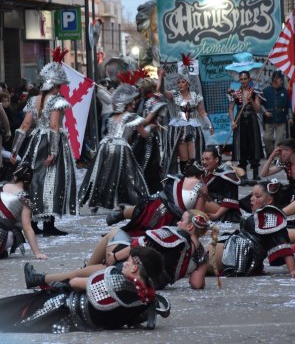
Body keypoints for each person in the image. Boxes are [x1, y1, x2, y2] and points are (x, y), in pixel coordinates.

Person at [0, 246, 169, 332]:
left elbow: (82, 284)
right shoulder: (144, 296)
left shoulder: (121, 286)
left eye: (129, 260)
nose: (124, 262)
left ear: (136, 267)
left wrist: (65, 283)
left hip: (59, 313)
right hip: (66, 308)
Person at [10, 47, 77, 236]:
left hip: (35, 141)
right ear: (57, 85)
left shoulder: (34, 100)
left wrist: (14, 150)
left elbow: (24, 125)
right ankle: (48, 223)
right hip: (50, 142)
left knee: (33, 180)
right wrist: (53, 152)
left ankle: (33, 221)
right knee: (51, 180)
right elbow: (55, 126)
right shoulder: (57, 101)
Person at [63, 210, 211, 290]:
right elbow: (197, 284)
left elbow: (139, 245)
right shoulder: (202, 255)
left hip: (134, 270)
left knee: (113, 233)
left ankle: (46, 280)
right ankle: (85, 270)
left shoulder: (174, 234)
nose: (178, 222)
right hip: (155, 284)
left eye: (182, 220)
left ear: (190, 226)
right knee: (87, 274)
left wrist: (114, 257)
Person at [79, 81, 150, 212]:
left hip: (104, 146)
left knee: (103, 175)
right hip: (120, 148)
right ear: (126, 104)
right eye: (132, 102)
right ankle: (137, 201)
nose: (134, 104)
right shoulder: (132, 117)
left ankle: (98, 202)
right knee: (131, 175)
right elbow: (144, 134)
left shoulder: (112, 117)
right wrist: (152, 128)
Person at [208, 182, 295, 278]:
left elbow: (283, 246)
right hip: (227, 254)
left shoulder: (270, 218)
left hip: (225, 257)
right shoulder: (261, 216)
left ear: (269, 200)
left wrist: (292, 270)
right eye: (252, 195)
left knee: (195, 261)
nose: (251, 198)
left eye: (257, 196)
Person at [105, 162, 206, 236]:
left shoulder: (176, 178)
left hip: (154, 204)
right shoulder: (202, 186)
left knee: (142, 208)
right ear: (201, 176)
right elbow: (197, 215)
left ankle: (119, 215)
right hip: (168, 217)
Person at [163, 72, 214, 175]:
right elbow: (162, 92)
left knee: (193, 156)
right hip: (180, 129)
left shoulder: (195, 96)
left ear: (188, 84)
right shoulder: (175, 94)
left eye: (183, 82)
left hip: (193, 128)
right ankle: (184, 178)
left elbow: (202, 112)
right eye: (179, 82)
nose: (180, 84)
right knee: (184, 157)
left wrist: (210, 125)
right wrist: (160, 77)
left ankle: (194, 176)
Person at [259, 139, 295, 209]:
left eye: (280, 151)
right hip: (290, 191)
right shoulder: (286, 163)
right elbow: (264, 173)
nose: (278, 154)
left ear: (289, 151)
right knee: (265, 188)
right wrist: (271, 157)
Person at [133, 75, 168, 193]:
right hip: (151, 135)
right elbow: (147, 120)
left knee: (143, 160)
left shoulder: (140, 101)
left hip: (140, 134)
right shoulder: (155, 101)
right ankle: (152, 189)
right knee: (151, 162)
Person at [228, 70, 265, 180]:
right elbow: (230, 109)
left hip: (252, 120)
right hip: (240, 122)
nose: (243, 81)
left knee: (254, 145)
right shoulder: (236, 93)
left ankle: (255, 174)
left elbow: (258, 109)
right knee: (241, 146)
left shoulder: (255, 92)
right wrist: (232, 122)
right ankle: (243, 175)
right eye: (241, 79)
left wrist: (251, 100)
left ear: (249, 79)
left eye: (245, 79)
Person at [200, 147, 242, 222]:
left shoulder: (226, 175)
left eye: (207, 159)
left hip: (225, 213)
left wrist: (216, 215)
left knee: (197, 199)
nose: (204, 162)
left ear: (216, 160)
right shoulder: (205, 172)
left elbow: (230, 200)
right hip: (210, 204)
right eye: (203, 159)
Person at [262, 70, 290, 157]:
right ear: (275, 79)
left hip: (281, 119)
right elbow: (261, 105)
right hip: (269, 119)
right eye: (280, 79)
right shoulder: (265, 91)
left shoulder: (284, 91)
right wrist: (264, 112)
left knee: (280, 140)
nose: (282, 81)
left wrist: (290, 117)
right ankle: (270, 152)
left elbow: (289, 106)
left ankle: (275, 156)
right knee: (267, 138)